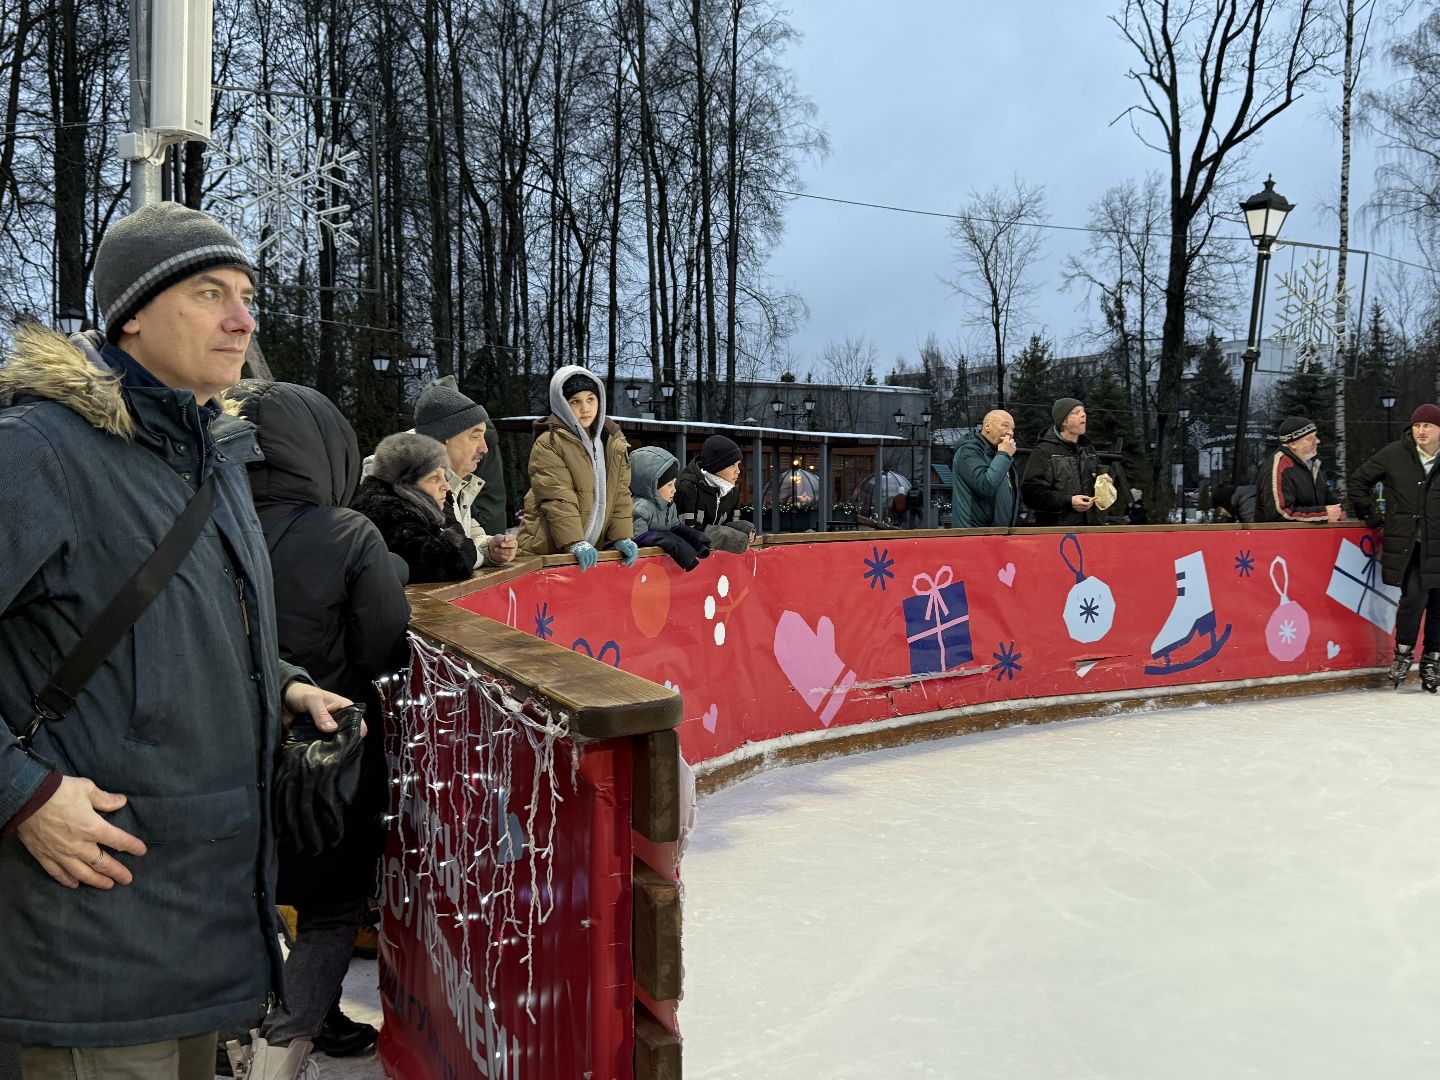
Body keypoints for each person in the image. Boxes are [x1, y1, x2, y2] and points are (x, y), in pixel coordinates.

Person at [0, 202, 347, 1080]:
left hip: (203, 933)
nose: (243, 319)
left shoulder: (212, 453)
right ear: (132, 316)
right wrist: (22, 793)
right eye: (209, 294)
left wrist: (281, 682)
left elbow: (173, 621)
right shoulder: (39, 450)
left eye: (247, 295)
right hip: (90, 954)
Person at [231, 381, 412, 1067]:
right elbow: (384, 646)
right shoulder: (346, 532)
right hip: (326, 753)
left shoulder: (210, 520)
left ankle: (234, 1034)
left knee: (240, 896)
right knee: (332, 907)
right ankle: (281, 1050)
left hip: (223, 750)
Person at [1347, 403, 1440, 692]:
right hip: (1411, 546)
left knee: (1439, 605)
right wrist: (1371, 515)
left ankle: (1432, 661)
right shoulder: (1395, 454)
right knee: (1414, 599)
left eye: (1427, 425)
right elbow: (1358, 481)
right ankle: (1403, 653)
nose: (1421, 430)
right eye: (1416, 425)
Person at [514, 366, 638, 569]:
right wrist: (574, 541)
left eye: (590, 399)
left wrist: (621, 536)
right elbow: (557, 496)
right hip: (544, 551)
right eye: (575, 401)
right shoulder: (550, 442)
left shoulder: (612, 441)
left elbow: (620, 493)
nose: (585, 408)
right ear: (562, 404)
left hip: (588, 551)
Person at [411, 376, 517, 569]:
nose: (484, 448)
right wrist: (477, 554)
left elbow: (468, 536)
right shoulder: (408, 480)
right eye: (475, 437)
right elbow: (449, 556)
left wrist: (489, 547)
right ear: (444, 439)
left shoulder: (453, 478)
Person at [354, 432, 477, 583]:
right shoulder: (393, 518)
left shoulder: (393, 509)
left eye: (445, 476)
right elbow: (452, 564)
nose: (446, 486)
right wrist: (464, 546)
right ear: (406, 484)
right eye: (435, 478)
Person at [1021, 397, 1106, 527]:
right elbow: (1031, 493)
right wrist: (1068, 500)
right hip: (1058, 532)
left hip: (1090, 529)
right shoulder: (1044, 451)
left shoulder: (1089, 450)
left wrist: (1106, 484)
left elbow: (1098, 489)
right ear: (1064, 421)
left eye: (1083, 411)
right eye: (1076, 412)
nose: (1083, 414)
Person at [630, 445, 712, 571]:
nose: (674, 489)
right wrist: (669, 542)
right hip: (643, 569)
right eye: (669, 485)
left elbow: (674, 527)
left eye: (674, 483)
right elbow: (638, 539)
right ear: (653, 486)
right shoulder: (641, 508)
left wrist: (695, 539)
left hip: (662, 568)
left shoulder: (669, 504)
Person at [674, 435, 757, 552]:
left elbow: (731, 522)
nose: (738, 471)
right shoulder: (688, 488)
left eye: (738, 464)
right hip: (688, 558)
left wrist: (745, 528)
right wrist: (734, 539)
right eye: (732, 465)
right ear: (717, 465)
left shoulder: (733, 491)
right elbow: (686, 531)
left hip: (718, 559)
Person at [1255, 415, 1344, 523]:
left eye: (1315, 436)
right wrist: (1323, 514)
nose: (1317, 441)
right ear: (1293, 444)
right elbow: (1280, 513)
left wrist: (1339, 509)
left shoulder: (1311, 463)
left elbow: (1324, 494)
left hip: (1312, 531)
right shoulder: (1279, 467)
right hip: (1280, 533)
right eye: (1310, 438)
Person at [950, 409, 1019, 528]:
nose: (1010, 433)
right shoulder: (968, 451)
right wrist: (1004, 454)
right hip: (974, 533)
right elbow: (985, 486)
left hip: (999, 533)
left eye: (1012, 428)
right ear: (987, 426)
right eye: (1005, 426)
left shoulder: (1000, 454)